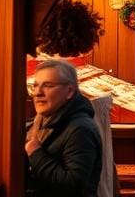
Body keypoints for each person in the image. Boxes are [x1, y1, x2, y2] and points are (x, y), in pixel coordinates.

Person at [26, 58, 102, 197]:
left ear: (69, 91)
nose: (38, 93)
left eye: (47, 85)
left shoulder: (80, 130)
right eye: (35, 86)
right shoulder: (37, 124)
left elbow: (74, 184)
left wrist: (36, 154)